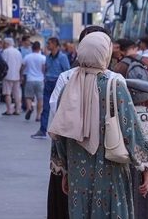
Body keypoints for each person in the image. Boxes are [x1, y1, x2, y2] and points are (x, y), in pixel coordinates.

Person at [49, 31, 148, 218]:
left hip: (78, 176)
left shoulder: (68, 87)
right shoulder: (115, 86)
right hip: (112, 173)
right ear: (105, 53)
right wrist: (144, 164)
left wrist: (64, 169)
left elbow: (59, 134)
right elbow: (131, 130)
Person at [46, 25, 108, 219]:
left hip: (71, 159)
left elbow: (55, 120)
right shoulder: (115, 81)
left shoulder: (67, 78)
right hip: (106, 162)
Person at [33, 37, 70, 139]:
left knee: (58, 108)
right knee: (45, 108)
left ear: (55, 45)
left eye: (49, 43)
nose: (48, 45)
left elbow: (67, 71)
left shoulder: (62, 57)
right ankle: (42, 130)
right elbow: (46, 68)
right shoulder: (48, 57)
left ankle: (60, 131)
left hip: (57, 84)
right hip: (48, 83)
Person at [22, 41, 46, 122]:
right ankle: (38, 116)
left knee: (28, 96)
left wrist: (21, 75)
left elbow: (23, 67)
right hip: (40, 80)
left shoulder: (27, 57)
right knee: (40, 98)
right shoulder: (43, 58)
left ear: (32, 48)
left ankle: (29, 108)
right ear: (39, 48)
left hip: (30, 79)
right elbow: (44, 69)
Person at [1, 37, 23, 116]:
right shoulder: (18, 52)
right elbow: (21, 64)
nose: (3, 44)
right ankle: (17, 110)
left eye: (4, 43)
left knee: (7, 93)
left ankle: (9, 110)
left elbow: (3, 64)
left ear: (7, 43)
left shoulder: (5, 52)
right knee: (17, 93)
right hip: (16, 75)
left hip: (7, 76)